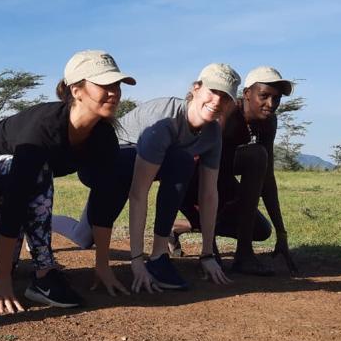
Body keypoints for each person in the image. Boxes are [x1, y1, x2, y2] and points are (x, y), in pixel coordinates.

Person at [0, 50, 135, 313]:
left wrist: (102, 265)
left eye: (116, 84)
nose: (114, 91)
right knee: (38, 170)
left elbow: (104, 199)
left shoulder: (103, 137)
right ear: (77, 89)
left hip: (16, 179)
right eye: (104, 84)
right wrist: (2, 280)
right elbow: (17, 201)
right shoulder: (44, 127)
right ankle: (44, 274)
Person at [53, 63, 239, 293]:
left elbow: (209, 194)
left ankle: (159, 254)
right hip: (106, 163)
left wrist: (207, 253)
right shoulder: (164, 121)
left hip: (133, 168)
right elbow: (139, 193)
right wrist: (137, 260)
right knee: (179, 160)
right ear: (196, 89)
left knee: (82, 237)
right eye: (213, 92)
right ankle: (155, 258)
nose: (217, 102)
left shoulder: (212, 134)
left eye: (225, 97)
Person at [173, 66, 299, 276]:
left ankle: (243, 255)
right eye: (264, 96)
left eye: (276, 99)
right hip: (190, 182)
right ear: (247, 93)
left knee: (261, 230)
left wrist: (281, 232)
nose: (271, 104)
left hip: (221, 181)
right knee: (255, 155)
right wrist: (208, 252)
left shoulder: (268, 122)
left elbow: (267, 177)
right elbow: (196, 169)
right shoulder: (225, 115)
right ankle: (203, 231)